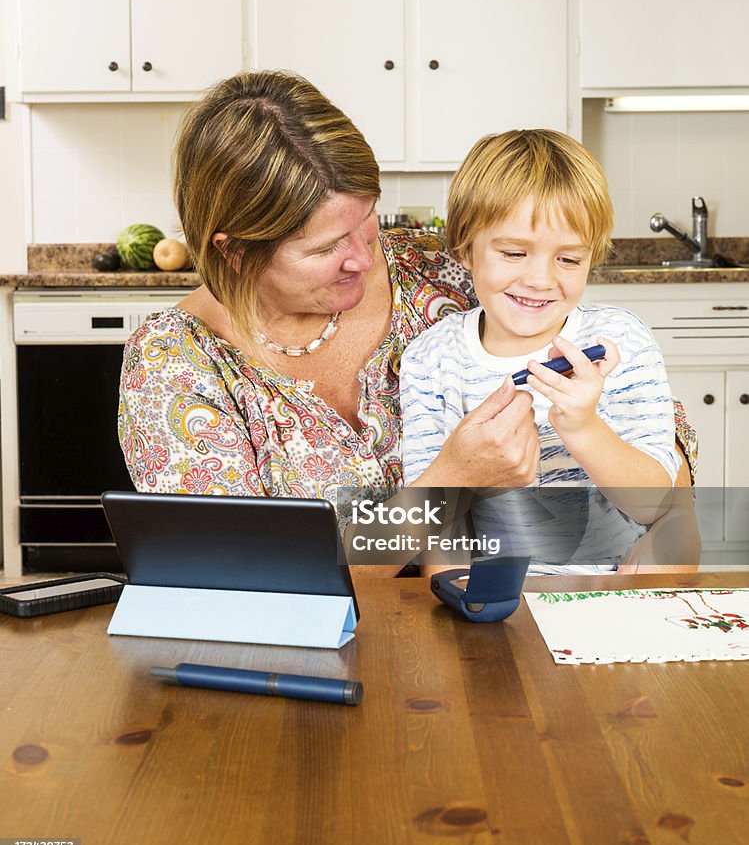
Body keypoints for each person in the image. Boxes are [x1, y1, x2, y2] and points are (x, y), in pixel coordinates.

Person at [118, 71, 697, 575]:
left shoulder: (438, 266)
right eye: (326, 248)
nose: (365, 259)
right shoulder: (175, 362)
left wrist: (673, 521)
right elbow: (244, 571)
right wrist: (449, 481)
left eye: (367, 223)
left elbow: (649, 420)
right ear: (235, 252)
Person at [399, 129, 700, 573]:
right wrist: (456, 593)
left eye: (569, 260)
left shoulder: (620, 338)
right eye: (514, 252)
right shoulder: (430, 359)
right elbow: (437, 519)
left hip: (617, 585)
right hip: (500, 597)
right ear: (465, 248)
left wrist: (582, 427)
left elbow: (656, 505)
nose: (541, 279)